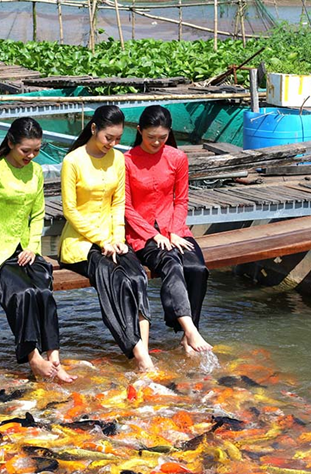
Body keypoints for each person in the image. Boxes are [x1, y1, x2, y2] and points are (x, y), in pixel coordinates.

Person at [0, 117, 76, 383]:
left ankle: (54, 358)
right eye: (26, 150)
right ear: (11, 143)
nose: (31, 156)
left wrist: (32, 247)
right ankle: (33, 358)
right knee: (23, 294)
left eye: (36, 150)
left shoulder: (36, 172)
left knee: (43, 291)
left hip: (25, 250)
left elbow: (37, 215)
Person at [59, 105, 155, 372]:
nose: (112, 144)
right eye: (108, 138)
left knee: (137, 276)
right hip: (80, 243)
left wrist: (118, 239)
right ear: (94, 129)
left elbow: (118, 203)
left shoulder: (118, 159)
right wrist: (102, 240)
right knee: (115, 279)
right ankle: (140, 356)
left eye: (117, 139)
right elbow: (70, 210)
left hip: (113, 240)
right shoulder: (73, 161)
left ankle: (143, 351)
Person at [124, 106, 212, 354]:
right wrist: (154, 235)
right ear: (139, 131)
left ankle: (187, 335)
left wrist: (173, 232)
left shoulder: (177, 157)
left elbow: (181, 200)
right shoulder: (127, 161)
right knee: (171, 263)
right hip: (143, 233)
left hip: (175, 228)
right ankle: (190, 330)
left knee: (197, 269)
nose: (156, 142)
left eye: (162, 137)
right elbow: (126, 207)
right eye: (150, 137)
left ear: (169, 133)